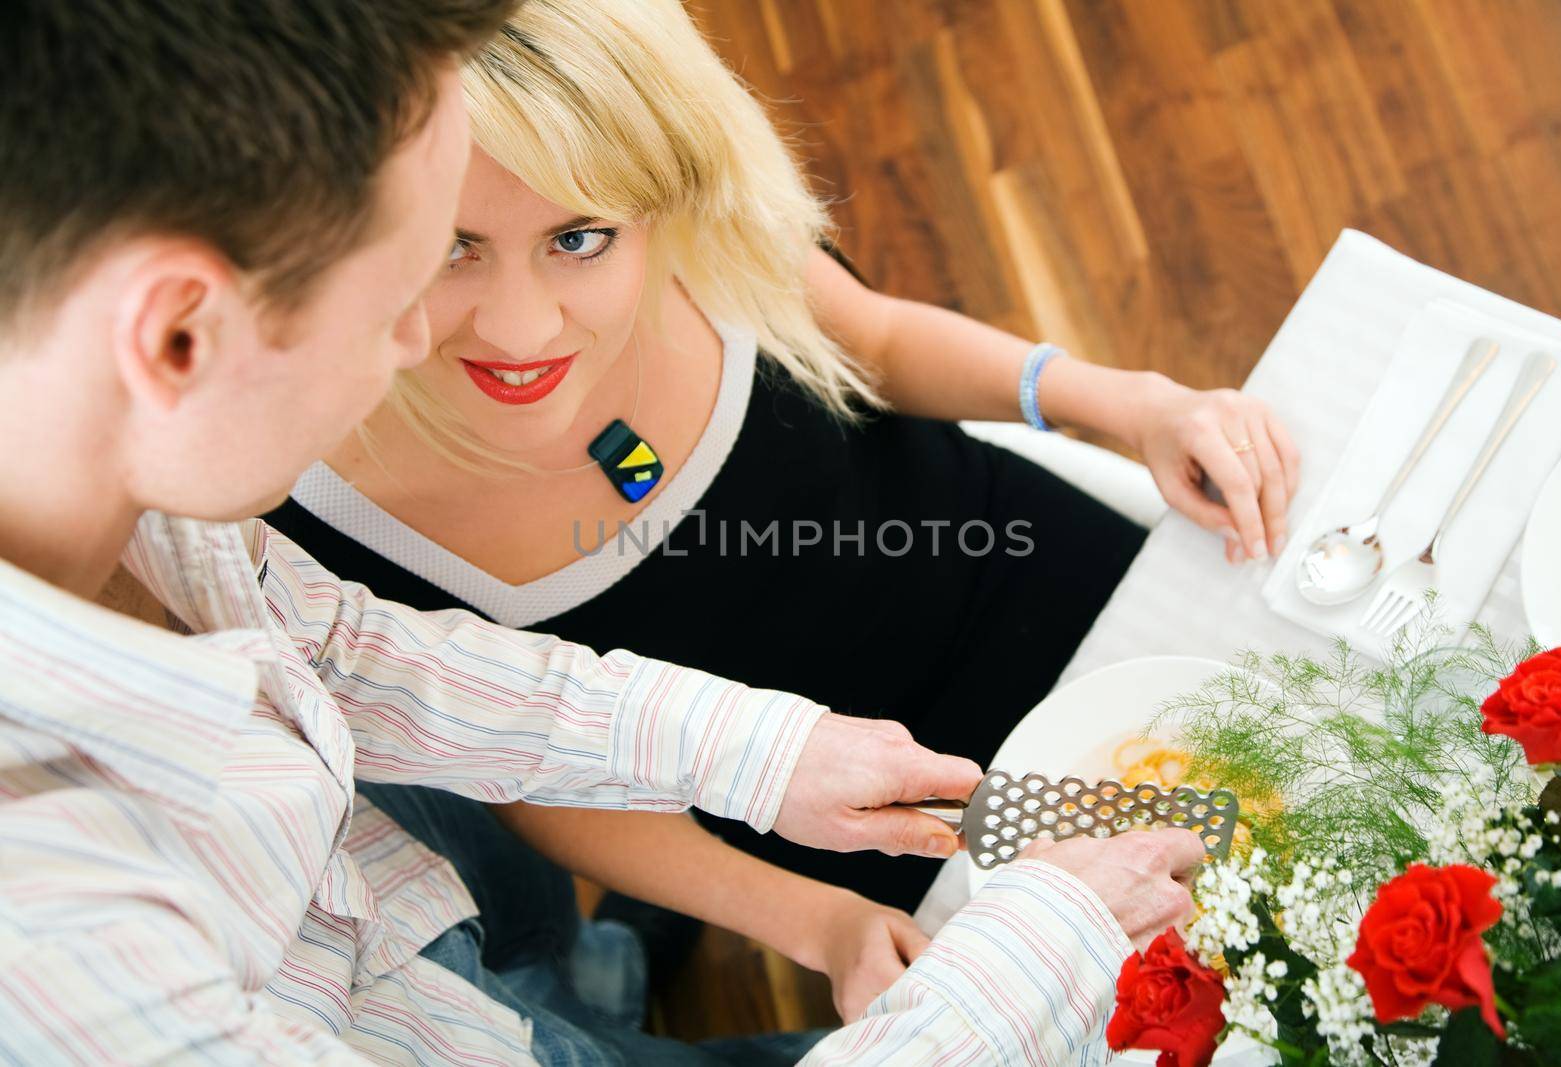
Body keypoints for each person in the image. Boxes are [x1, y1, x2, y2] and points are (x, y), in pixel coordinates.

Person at [0, 2, 1203, 1065]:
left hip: (432, 944)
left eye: (578, 236)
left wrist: (763, 751)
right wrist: (1040, 941)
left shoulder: (160, 503)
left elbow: (344, 649)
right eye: (397, 289)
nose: (432, 343)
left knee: (554, 965)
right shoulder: (61, 947)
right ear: (175, 336)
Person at [264, 0, 1301, 920]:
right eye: (452, 247)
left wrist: (1130, 402)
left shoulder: (706, 239)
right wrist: (816, 921)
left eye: (580, 237)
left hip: (1030, 573)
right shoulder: (301, 502)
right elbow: (539, 772)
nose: (523, 327)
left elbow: (880, 344)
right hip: (871, 824)